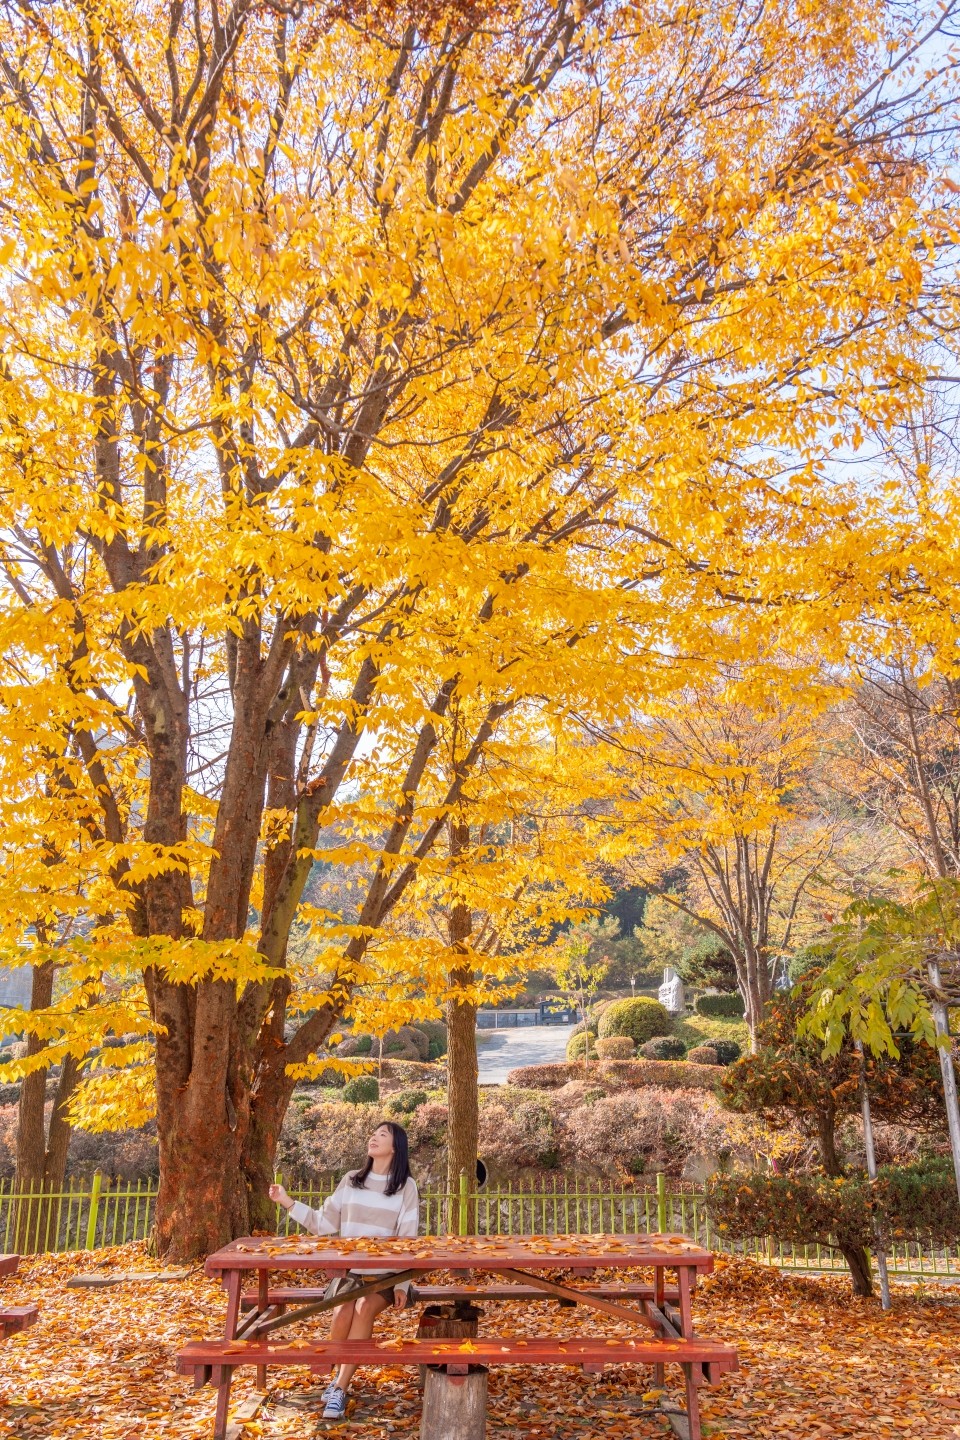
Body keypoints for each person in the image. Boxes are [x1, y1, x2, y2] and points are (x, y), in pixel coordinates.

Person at [269, 1120, 418, 1422]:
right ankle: (336, 1376)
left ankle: (339, 1386)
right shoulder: (351, 1180)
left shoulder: (406, 1187)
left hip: (387, 1277)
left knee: (363, 1309)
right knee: (342, 1311)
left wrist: (403, 1285)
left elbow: (409, 1239)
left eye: (382, 1134)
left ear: (395, 1147)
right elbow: (323, 1224)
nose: (373, 1137)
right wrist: (286, 1201)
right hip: (351, 1273)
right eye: (373, 1133)